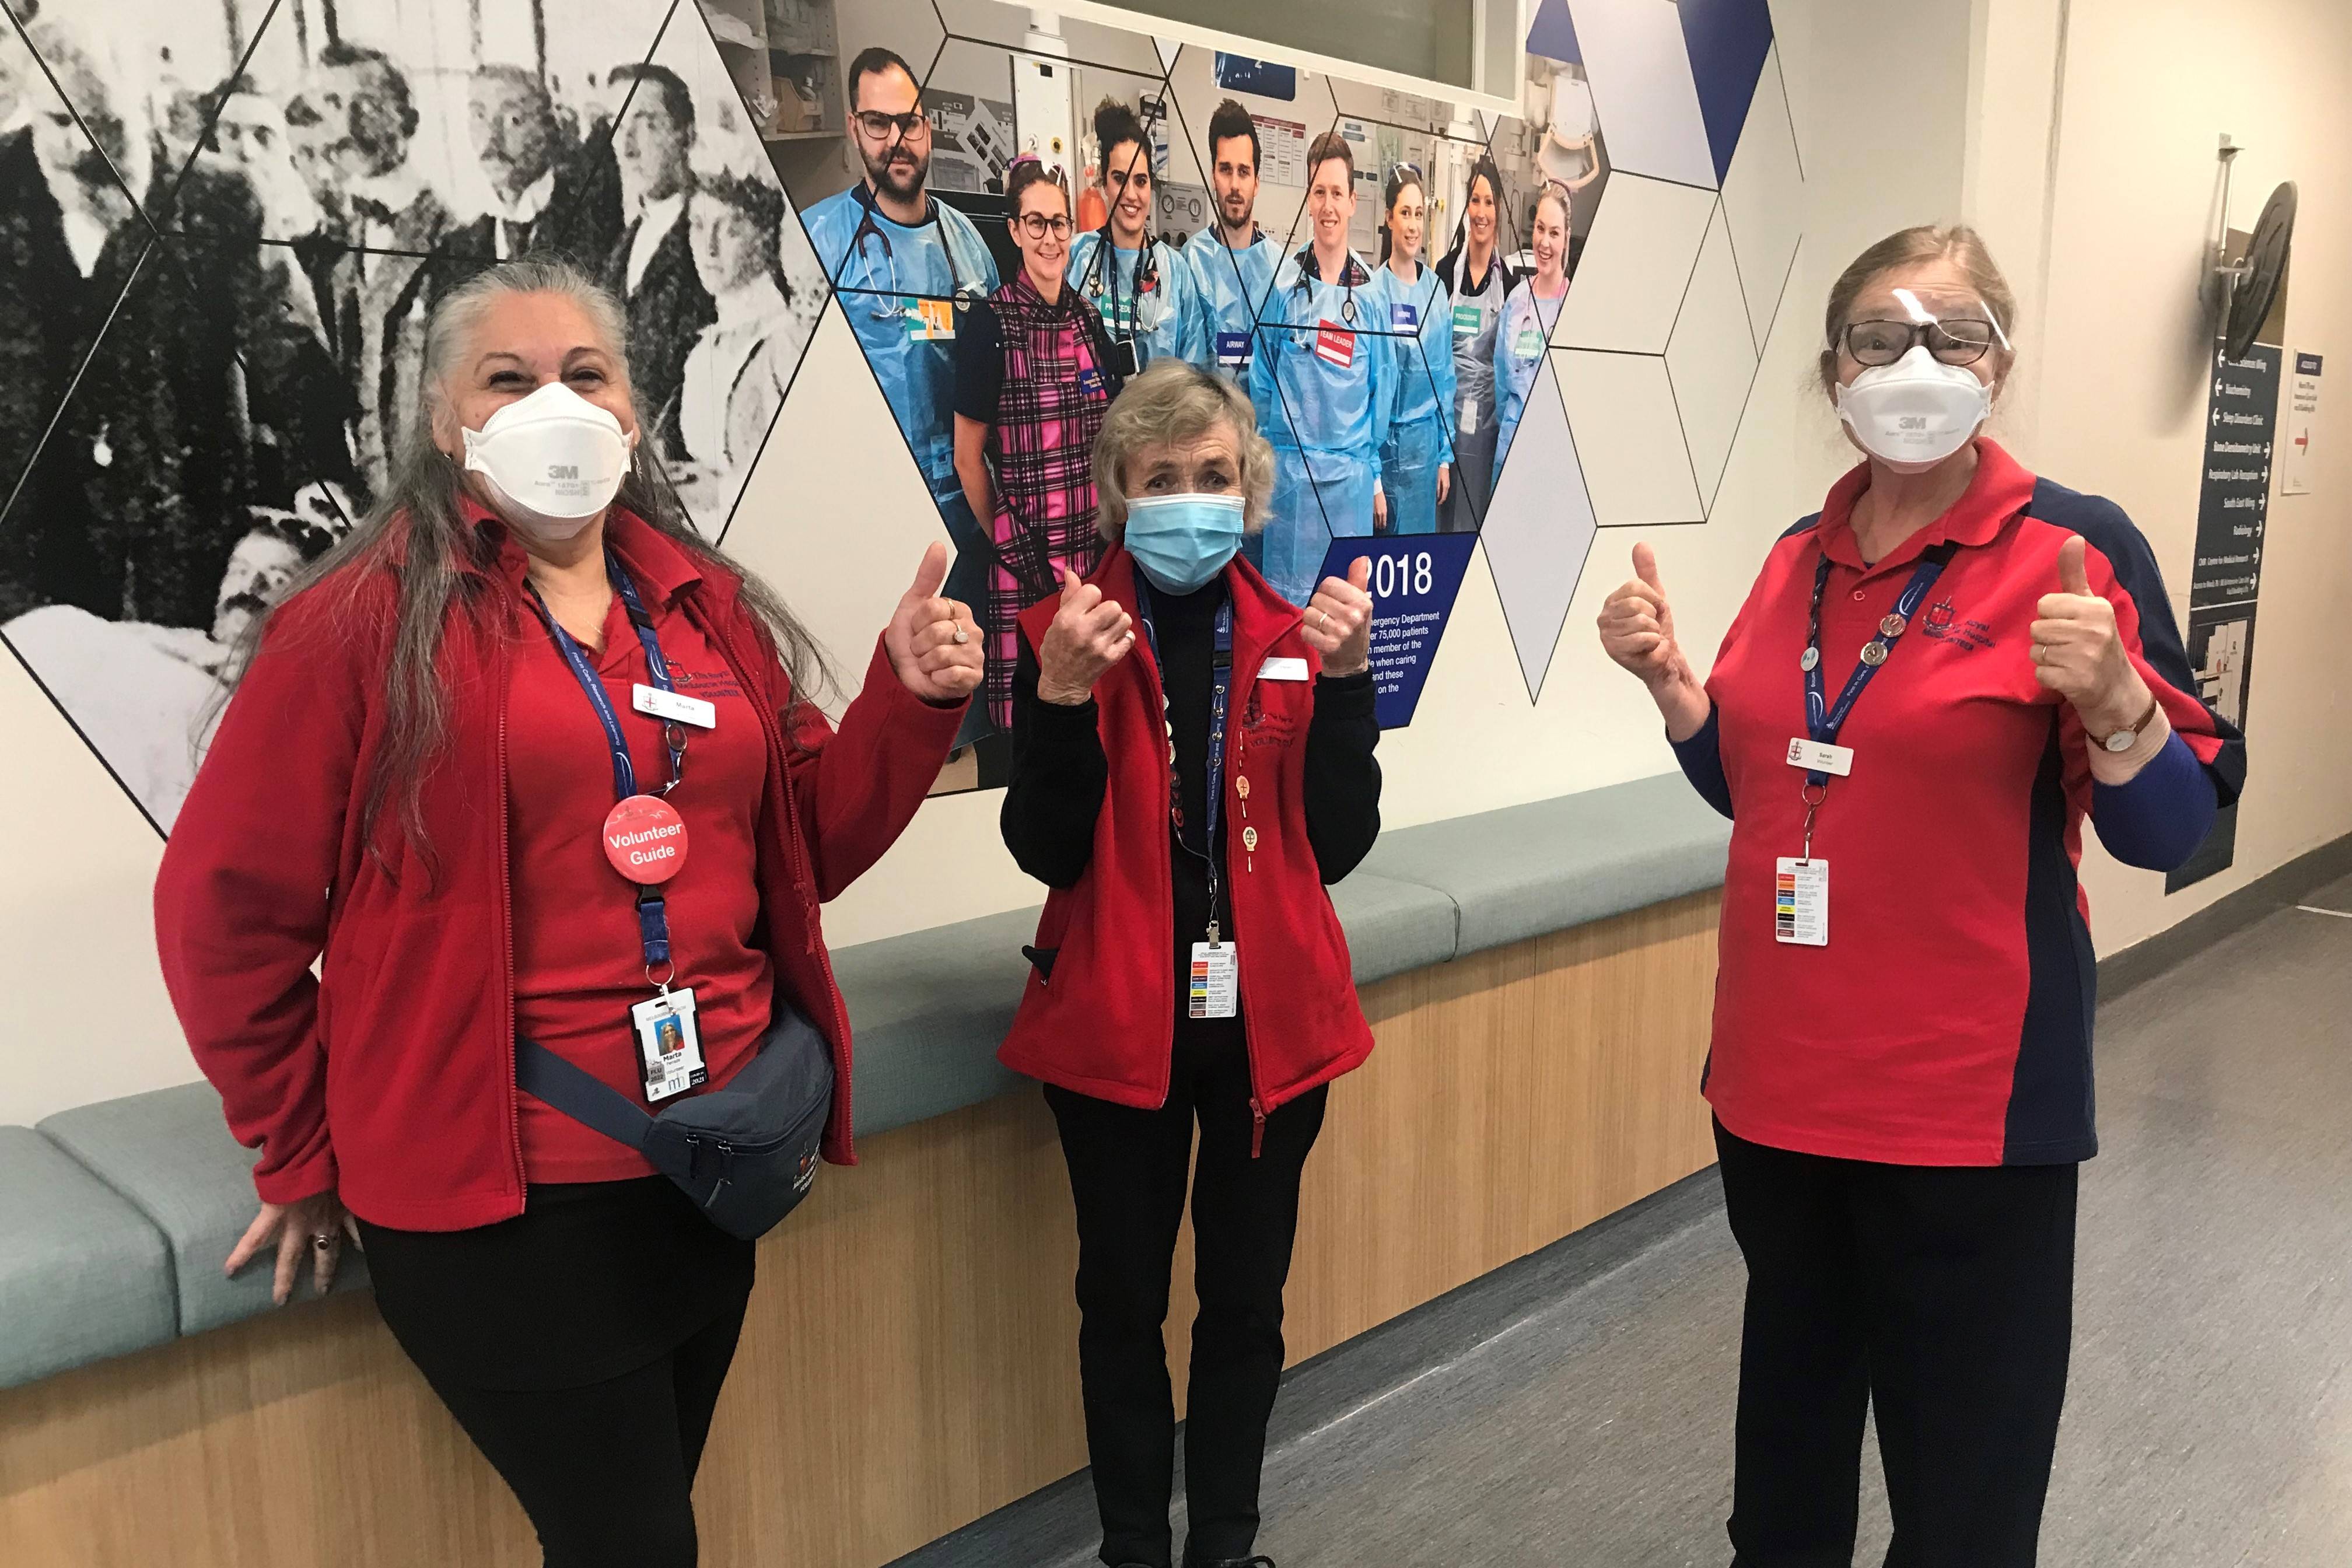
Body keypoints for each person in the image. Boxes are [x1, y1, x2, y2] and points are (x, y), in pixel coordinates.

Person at [153, 259, 982, 1568]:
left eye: (585, 375)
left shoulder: (706, 611)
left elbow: (804, 845)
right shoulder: (356, 625)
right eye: (509, 378)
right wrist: (294, 1147)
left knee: (637, 1533)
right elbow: (223, 912)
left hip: (709, 1167)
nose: (555, 403)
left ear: (633, 410)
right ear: (443, 420)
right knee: (635, 1546)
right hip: (505, 1206)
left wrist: (906, 701)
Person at [1596, 226, 2244, 1568]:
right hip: (1778, 1104)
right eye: (1880, 338)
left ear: (1998, 362)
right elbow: (1773, 790)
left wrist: (2119, 702)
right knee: (1786, 1476)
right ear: (1833, 367)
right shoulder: (1796, 557)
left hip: (1969, 1119)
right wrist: (1677, 694)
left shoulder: (2073, 548)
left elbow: (2177, 824)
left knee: (1963, 1500)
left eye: (1950, 335)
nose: (1914, 364)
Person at [999, 359, 1381, 1568]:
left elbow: (1343, 842)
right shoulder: (1063, 636)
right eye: (1162, 478)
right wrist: (1059, 702)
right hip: (1117, 1028)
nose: (1189, 500)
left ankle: (1223, 1542)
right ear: (1118, 490)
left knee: (1246, 1305)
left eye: (1213, 476)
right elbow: (1043, 846)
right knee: (1120, 1305)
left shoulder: (1291, 633)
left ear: (1249, 489)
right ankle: (1130, 1549)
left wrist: (1351, 687)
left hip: (1270, 1029)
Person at [802, 48, 1000, 674]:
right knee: (878, 688)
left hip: (962, 513)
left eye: (910, 124)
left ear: (928, 128)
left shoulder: (968, 245)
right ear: (855, 129)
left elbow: (1001, 384)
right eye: (878, 124)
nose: (897, 141)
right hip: (868, 505)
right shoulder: (818, 242)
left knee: (959, 691)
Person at [952, 157, 1122, 733]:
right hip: (1023, 570)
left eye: (1060, 224)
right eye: (1037, 223)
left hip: (1091, 564)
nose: (1050, 238)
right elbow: (966, 457)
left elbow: (1114, 437)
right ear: (1016, 231)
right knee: (1030, 733)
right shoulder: (991, 326)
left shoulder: (1088, 322)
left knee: (1089, 725)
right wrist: (1012, 544)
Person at [1248, 131, 1391, 606]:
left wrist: (1372, 477)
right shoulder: (1284, 287)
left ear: (1353, 202)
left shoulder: (1371, 298)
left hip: (1348, 492)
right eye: (1319, 192)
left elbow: (1381, 390)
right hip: (1289, 487)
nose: (1328, 206)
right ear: (1308, 200)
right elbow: (1264, 380)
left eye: (1337, 193)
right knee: (1287, 620)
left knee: (1341, 621)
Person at [313, 42, 461, 488]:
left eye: (368, 106)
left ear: (407, 118)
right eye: (333, 106)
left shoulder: (453, 238)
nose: (347, 126)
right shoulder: (339, 241)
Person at [600, 62, 714, 452]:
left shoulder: (714, 237)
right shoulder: (625, 243)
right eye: (617, 125)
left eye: (645, 122)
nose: (627, 144)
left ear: (687, 135)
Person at [1068, 97, 1209, 376]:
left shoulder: (1174, 271)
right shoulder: (1077, 258)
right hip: (1090, 417)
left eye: (1140, 181)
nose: (1131, 195)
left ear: (1151, 188)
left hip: (1161, 419)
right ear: (1104, 182)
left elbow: (1193, 372)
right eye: (1120, 178)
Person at [456, 64, 620, 268]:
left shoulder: (591, 216)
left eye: (514, 120)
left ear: (547, 127)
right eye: (479, 116)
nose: (491, 140)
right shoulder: (461, 246)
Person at [1370, 164, 1455, 536]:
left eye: (1419, 214)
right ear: (1389, 218)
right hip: (1385, 457)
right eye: (1405, 213)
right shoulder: (1373, 293)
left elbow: (1445, 381)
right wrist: (1373, 479)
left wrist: (1444, 458)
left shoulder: (1436, 292)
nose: (1413, 225)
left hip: (1425, 460)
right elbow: (1366, 390)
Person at [1433, 156, 1515, 532]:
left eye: (1489, 202)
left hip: (1488, 437)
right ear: (1467, 207)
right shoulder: (1444, 273)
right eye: (1475, 201)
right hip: (1445, 432)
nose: (1481, 212)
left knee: (1476, 530)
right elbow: (1432, 361)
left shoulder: (1512, 287)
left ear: (1499, 209)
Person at [1184, 99, 1278, 386]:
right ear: (1213, 175)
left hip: (1263, 430)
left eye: (1244, 171)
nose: (1235, 185)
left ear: (1257, 182)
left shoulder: (1279, 269)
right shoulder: (1191, 262)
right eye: (1226, 170)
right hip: (1205, 426)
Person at [1491, 184, 1570, 475]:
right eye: (1540, 229)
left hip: (1552, 450)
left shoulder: (1573, 307)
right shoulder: (1517, 301)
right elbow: (1501, 379)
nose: (1545, 243)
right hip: (1510, 447)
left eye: (1554, 232)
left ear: (1566, 238)